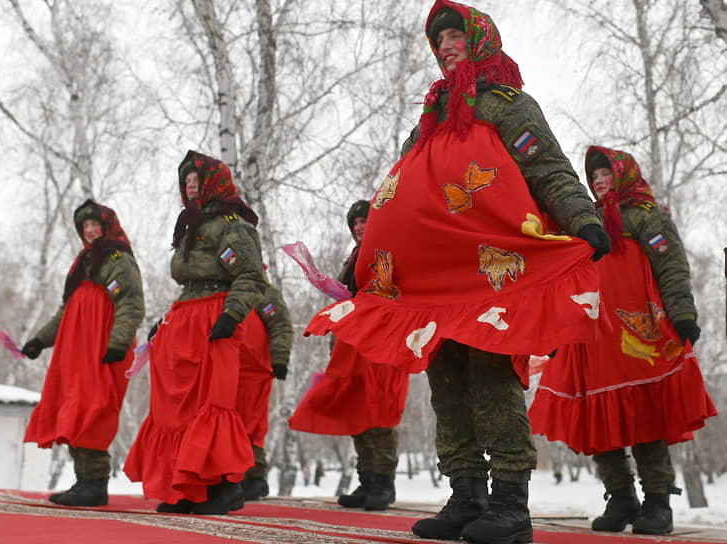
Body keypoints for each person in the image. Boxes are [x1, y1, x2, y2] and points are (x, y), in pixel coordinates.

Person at [300, 2, 612, 543]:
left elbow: (548, 169)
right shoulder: (429, 117)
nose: (445, 45)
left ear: (480, 39)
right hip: (429, 282)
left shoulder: (509, 104)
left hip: (489, 276)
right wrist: (361, 263)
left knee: (493, 382)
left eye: (454, 35)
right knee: (445, 387)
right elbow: (393, 196)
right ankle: (466, 496)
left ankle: (511, 507)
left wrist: (583, 218)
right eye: (438, 39)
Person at [529, 146, 717, 535]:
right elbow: (566, 276)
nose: (599, 183)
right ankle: (621, 497)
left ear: (623, 174)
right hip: (594, 337)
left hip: (639, 334)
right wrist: (558, 327)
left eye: (605, 175)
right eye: (594, 177)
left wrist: (683, 314)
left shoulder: (649, 217)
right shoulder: (585, 222)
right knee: (599, 421)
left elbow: (672, 266)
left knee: (646, 418)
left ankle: (658, 502)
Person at [123, 150, 269, 515]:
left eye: (196, 181)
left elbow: (250, 276)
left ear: (213, 183)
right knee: (178, 409)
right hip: (184, 321)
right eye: (185, 182)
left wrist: (232, 315)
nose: (190, 188)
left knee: (213, 402)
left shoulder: (232, 224)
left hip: (215, 321)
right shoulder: (191, 224)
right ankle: (189, 489)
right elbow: (189, 283)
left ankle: (227, 486)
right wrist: (166, 319)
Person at [21, 199, 144, 507]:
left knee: (94, 406)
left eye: (94, 225)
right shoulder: (84, 262)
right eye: (85, 227)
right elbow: (66, 310)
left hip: (103, 346)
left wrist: (118, 343)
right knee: (74, 404)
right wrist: (40, 340)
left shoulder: (119, 259)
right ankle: (85, 481)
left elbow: (130, 304)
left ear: (107, 226)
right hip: (77, 347)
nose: (89, 231)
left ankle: (94, 483)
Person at [336, 200, 399, 511]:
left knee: (380, 409)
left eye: (364, 221)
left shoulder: (390, 250)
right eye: (355, 223)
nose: (359, 227)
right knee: (357, 410)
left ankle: (384, 482)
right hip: (354, 344)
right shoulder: (352, 259)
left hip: (383, 340)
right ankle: (367, 479)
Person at [240, 276, 293, 501]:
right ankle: (227, 477)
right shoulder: (221, 290)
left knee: (251, 425)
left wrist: (280, 358)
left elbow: (280, 324)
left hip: (255, 371)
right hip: (224, 369)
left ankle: (254, 477)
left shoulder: (262, 292)